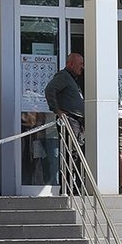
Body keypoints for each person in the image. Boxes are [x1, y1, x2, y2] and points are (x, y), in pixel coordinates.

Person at [44, 53, 85, 189]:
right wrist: (57, 110)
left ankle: (74, 184)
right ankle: (67, 186)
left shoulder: (72, 79)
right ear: (71, 64)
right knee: (71, 152)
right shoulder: (63, 76)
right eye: (80, 64)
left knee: (76, 152)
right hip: (70, 120)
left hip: (77, 121)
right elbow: (50, 90)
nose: (82, 67)